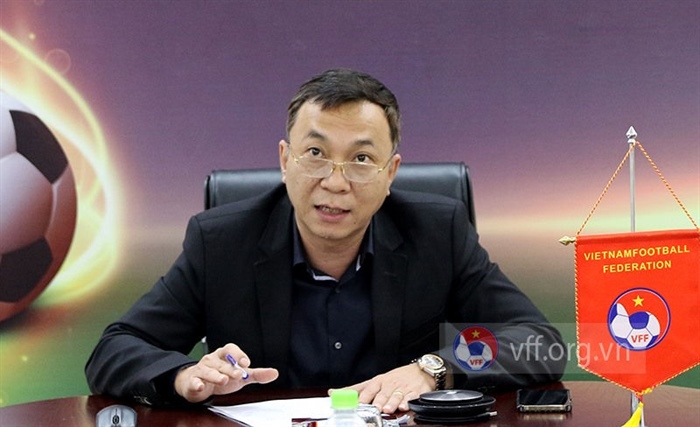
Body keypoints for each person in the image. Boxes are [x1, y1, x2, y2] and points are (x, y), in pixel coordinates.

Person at [86, 68, 565, 414]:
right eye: (315, 153)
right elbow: (114, 349)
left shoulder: (437, 233)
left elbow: (540, 343)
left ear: (390, 173)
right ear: (285, 160)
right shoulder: (222, 243)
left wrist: (433, 367)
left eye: (361, 160)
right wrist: (182, 375)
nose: (335, 183)